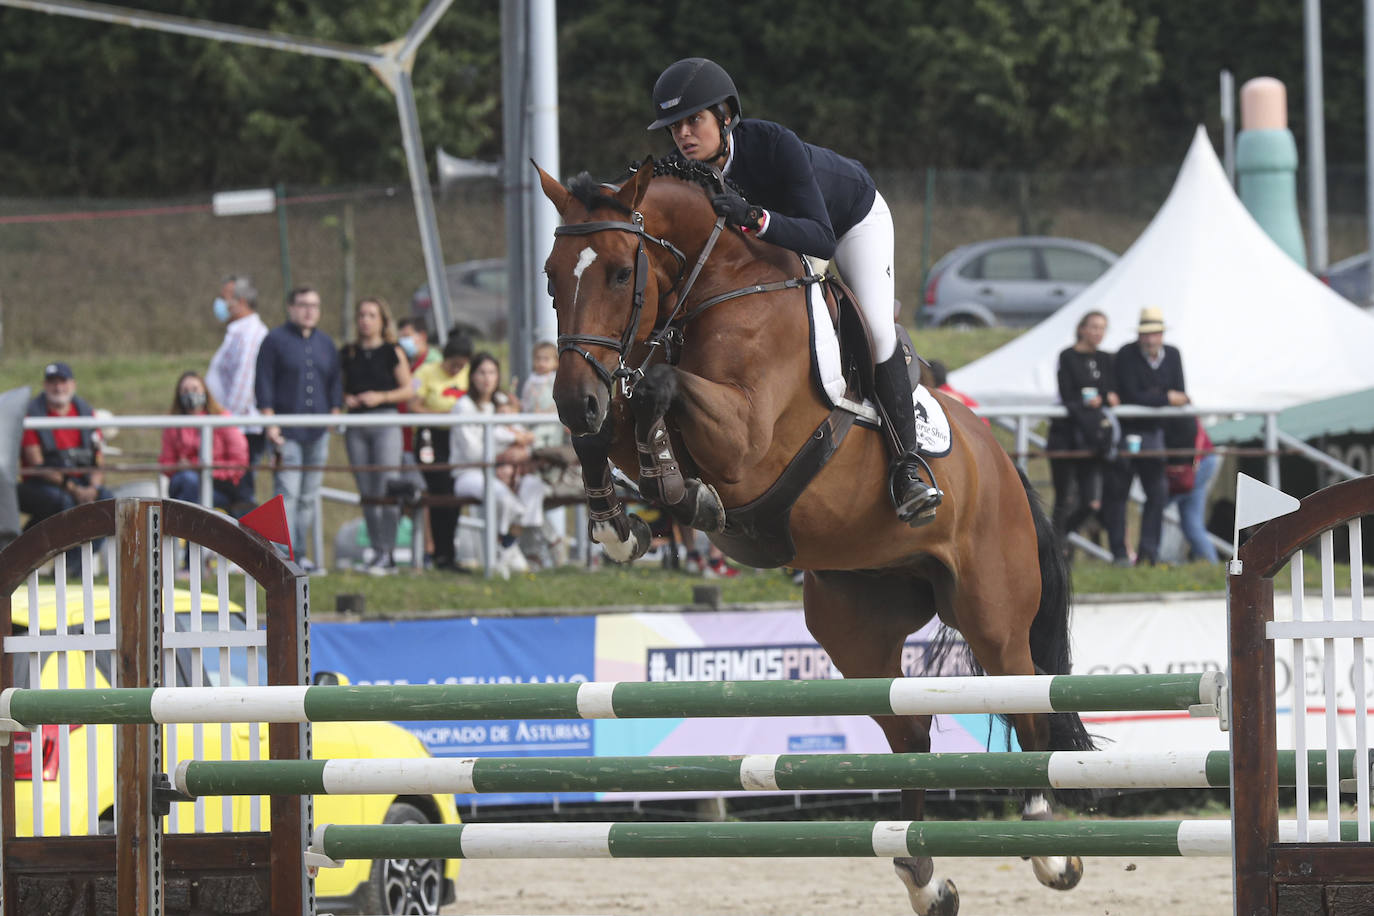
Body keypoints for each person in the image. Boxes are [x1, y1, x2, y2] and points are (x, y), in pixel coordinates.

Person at [649, 57, 940, 526]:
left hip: (849, 221)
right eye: (674, 127)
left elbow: (821, 239)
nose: (683, 134)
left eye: (693, 120)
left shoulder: (773, 144)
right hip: (780, 239)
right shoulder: (686, 171)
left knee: (876, 329)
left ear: (725, 115)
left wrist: (754, 217)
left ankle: (908, 468)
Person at [255, 286, 342, 571]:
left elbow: (334, 383)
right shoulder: (274, 341)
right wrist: (270, 422)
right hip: (286, 433)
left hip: (318, 432)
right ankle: (283, 556)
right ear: (291, 308)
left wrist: (334, 414)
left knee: (308, 496)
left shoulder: (326, 343)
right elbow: (264, 383)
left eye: (314, 305)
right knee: (287, 494)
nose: (309, 311)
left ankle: (301, 554)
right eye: (303, 305)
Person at [1103, 307, 1189, 567]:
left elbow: (1179, 392)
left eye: (1154, 334)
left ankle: (1148, 553)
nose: (1150, 339)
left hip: (1155, 432)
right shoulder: (1126, 354)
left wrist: (1156, 397)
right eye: (1146, 334)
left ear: (1161, 334)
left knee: (1157, 493)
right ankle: (1119, 553)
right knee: (1119, 492)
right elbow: (1131, 394)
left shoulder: (1172, 354)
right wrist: (1165, 397)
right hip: (1128, 431)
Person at [449, 353, 546, 577]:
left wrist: (520, 447)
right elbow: (472, 452)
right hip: (470, 473)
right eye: (481, 372)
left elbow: (524, 436)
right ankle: (503, 553)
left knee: (534, 487)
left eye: (492, 372)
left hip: (504, 471)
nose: (487, 378)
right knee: (502, 497)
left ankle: (506, 547)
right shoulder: (463, 406)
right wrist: (507, 448)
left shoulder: (501, 403)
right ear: (472, 376)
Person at [339, 297, 412, 575]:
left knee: (387, 486)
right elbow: (339, 386)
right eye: (362, 315)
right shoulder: (348, 353)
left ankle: (388, 551)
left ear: (382, 320)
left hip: (385, 422)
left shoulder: (392, 351)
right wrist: (346, 398)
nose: (365, 320)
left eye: (371, 315)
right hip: (356, 424)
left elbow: (408, 389)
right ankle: (376, 549)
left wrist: (380, 397)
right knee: (367, 490)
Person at [17, 362, 113, 570]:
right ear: (45, 385)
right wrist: (73, 488)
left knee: (108, 502)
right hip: (40, 484)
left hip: (81, 483)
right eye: (52, 382)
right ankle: (60, 567)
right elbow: (36, 464)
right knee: (64, 503)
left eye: (63, 381)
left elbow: (98, 459)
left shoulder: (86, 412)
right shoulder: (32, 415)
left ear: (73, 384)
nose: (58, 387)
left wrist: (93, 488)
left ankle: (76, 568)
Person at [1046, 311, 1120, 558]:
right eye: (1094, 327)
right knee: (1065, 497)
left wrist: (1102, 398)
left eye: (1102, 328)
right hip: (1067, 437)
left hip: (1093, 438)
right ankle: (1056, 550)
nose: (1098, 332)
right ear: (1082, 329)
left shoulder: (1106, 359)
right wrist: (1092, 400)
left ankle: (1054, 541)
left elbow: (1111, 391)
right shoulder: (1067, 356)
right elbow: (1068, 394)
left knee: (1091, 502)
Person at [205, 275, 269, 510]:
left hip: (239, 429)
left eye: (225, 298)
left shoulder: (250, 334)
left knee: (241, 495)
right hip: (231, 426)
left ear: (241, 301)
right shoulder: (238, 332)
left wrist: (226, 421)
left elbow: (244, 383)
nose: (221, 303)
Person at [410, 333, 474, 570]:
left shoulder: (470, 374)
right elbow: (413, 406)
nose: (457, 370)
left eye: (461, 366)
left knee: (454, 494)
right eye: (453, 364)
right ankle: (440, 552)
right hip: (431, 438)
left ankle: (447, 553)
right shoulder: (425, 373)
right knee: (441, 492)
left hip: (459, 438)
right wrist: (444, 416)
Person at [159, 371, 249, 514]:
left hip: (217, 486)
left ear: (204, 391)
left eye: (195, 389)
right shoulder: (173, 423)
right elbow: (166, 462)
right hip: (183, 481)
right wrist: (179, 466)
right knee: (186, 481)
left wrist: (200, 469)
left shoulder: (221, 419)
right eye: (185, 390)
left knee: (188, 485)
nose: (190, 394)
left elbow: (238, 462)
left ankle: (185, 525)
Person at [1165, 417, 1220, 563]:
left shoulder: (1179, 411)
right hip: (1202, 461)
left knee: (1154, 509)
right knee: (1191, 523)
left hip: (1197, 464)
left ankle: (1146, 559)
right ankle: (1212, 565)